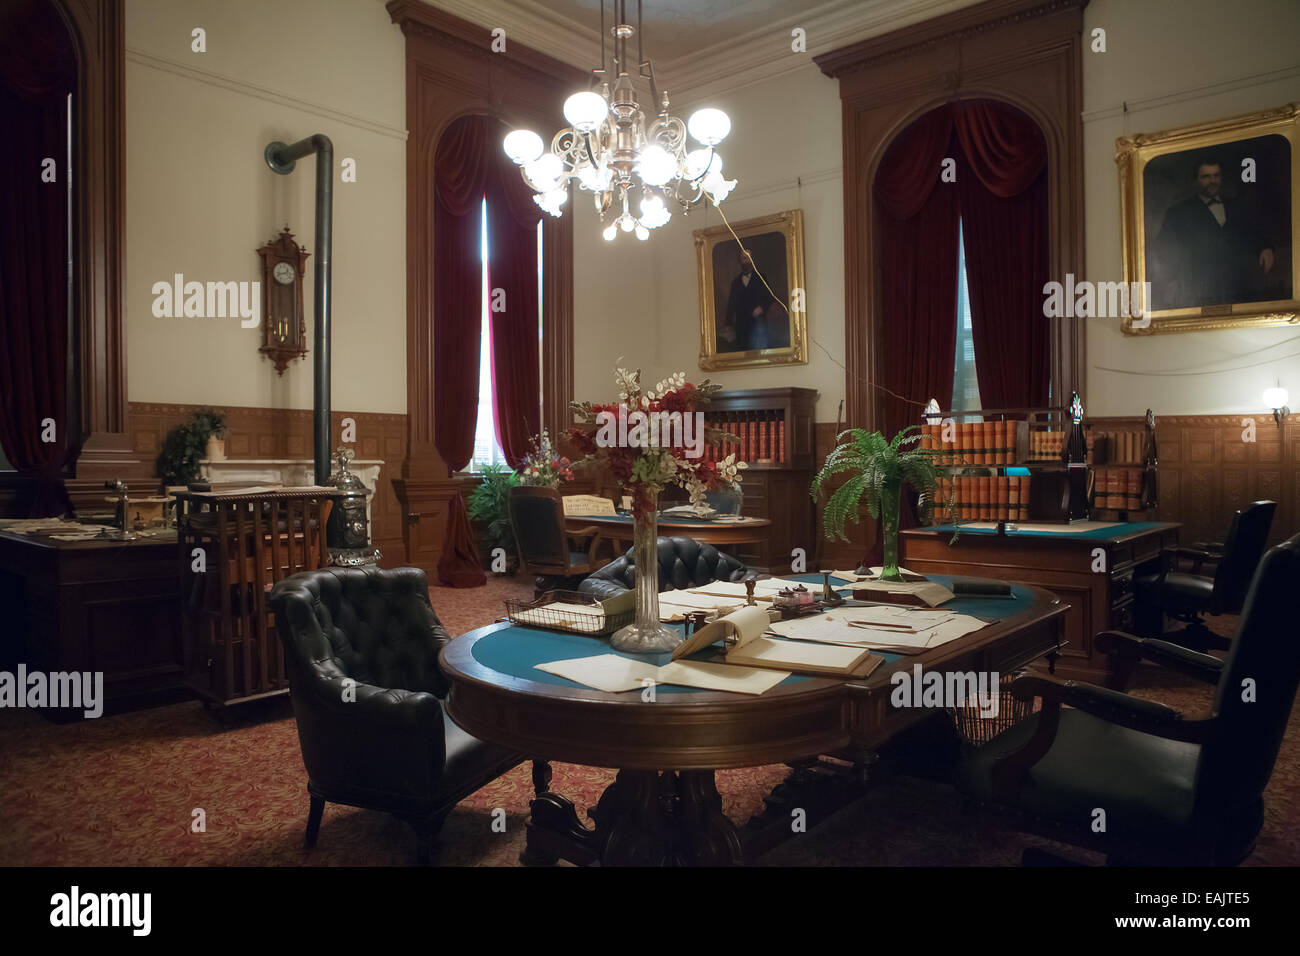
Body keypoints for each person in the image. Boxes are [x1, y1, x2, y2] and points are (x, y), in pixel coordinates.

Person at [1149, 158, 1277, 310]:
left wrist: (1265, 247)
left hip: (1235, 284)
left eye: (1216, 176)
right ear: (1195, 180)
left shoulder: (1235, 207)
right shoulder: (1178, 212)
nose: (1212, 181)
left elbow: (1252, 233)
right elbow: (1163, 250)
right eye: (1206, 177)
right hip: (1197, 288)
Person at [722, 250, 773, 351]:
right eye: (744, 258)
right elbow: (731, 304)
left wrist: (761, 308)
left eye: (749, 258)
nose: (747, 261)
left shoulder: (761, 278)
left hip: (758, 323)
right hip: (741, 325)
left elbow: (770, 297)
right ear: (740, 262)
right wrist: (728, 324)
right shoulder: (735, 282)